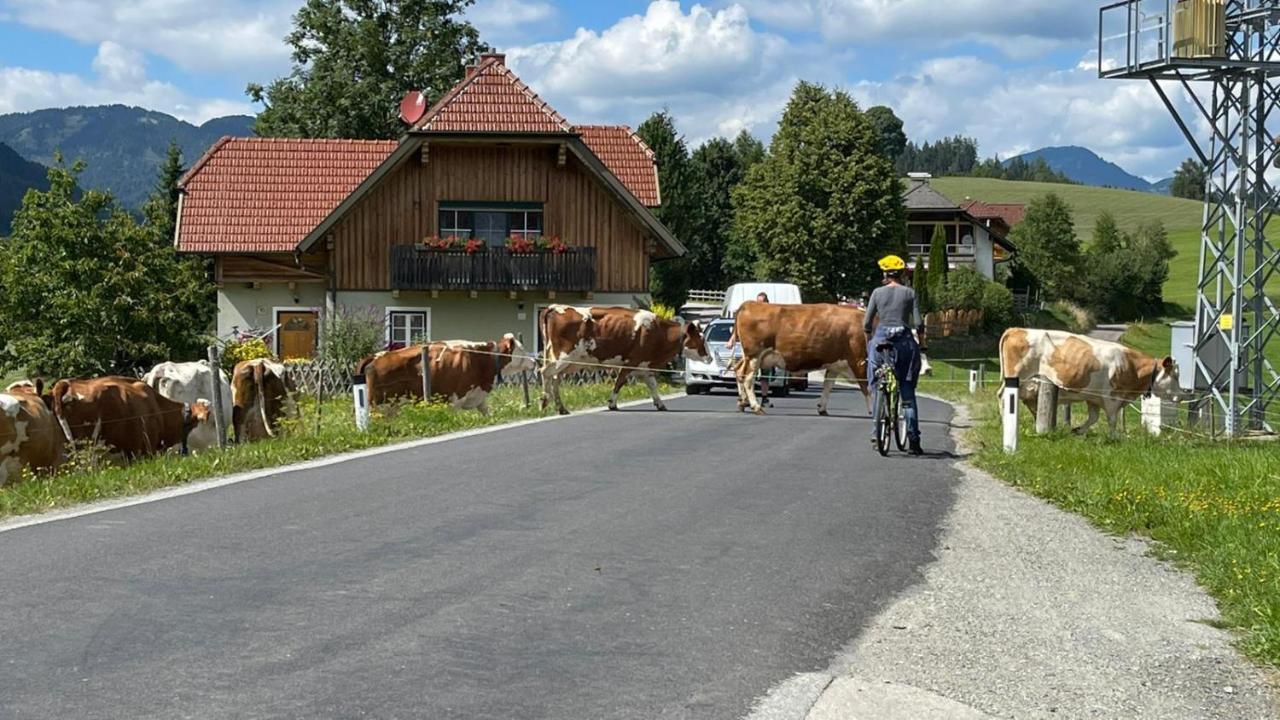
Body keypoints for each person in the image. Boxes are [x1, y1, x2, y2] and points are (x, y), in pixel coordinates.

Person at [864, 255, 927, 455]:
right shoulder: (910, 293)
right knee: (907, 392)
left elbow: (866, 323)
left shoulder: (877, 293)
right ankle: (913, 440)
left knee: (875, 385)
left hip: (881, 341)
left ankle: (876, 434)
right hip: (904, 343)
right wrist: (922, 345)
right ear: (901, 274)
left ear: (885, 273)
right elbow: (918, 323)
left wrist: (869, 343)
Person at [725, 292, 771, 408]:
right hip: (750, 349)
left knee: (765, 375)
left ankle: (764, 398)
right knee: (745, 371)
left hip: (766, 350)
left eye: (761, 302)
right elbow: (738, 329)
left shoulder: (771, 315)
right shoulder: (750, 316)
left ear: (767, 302)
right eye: (757, 302)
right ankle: (743, 397)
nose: (759, 304)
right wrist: (731, 340)